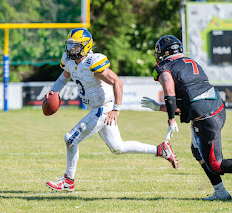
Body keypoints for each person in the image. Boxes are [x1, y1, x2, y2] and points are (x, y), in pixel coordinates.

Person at [141, 35, 232, 200]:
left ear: (163, 52)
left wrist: (171, 119)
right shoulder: (190, 63)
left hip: (206, 116)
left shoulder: (165, 67)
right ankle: (221, 193)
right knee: (197, 151)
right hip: (214, 108)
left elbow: (170, 92)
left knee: (216, 165)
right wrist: (159, 107)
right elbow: (189, 102)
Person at [45, 28, 178, 192]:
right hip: (95, 108)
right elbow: (64, 77)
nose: (71, 49)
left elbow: (117, 82)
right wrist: (53, 91)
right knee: (117, 147)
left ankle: (68, 181)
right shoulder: (70, 61)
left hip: (104, 108)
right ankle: (160, 150)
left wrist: (116, 109)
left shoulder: (92, 62)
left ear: (85, 46)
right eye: (70, 45)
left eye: (76, 46)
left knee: (70, 139)